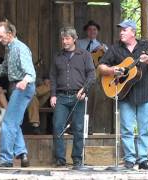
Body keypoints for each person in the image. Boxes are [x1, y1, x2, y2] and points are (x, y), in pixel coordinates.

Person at [98, 20, 148, 170]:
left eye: (124, 30)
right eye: (120, 30)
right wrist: (113, 70)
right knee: (126, 129)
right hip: (125, 94)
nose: (121, 32)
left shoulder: (146, 46)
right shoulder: (115, 48)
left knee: (145, 129)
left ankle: (143, 160)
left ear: (133, 32)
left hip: (144, 93)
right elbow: (101, 67)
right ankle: (129, 160)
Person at [0, 21, 36, 167]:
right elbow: (4, 68)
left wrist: (25, 81)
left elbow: (30, 72)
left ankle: (5, 159)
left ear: (10, 34)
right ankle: (22, 153)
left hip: (22, 86)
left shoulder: (20, 48)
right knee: (14, 122)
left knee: (7, 123)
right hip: (16, 86)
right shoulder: (9, 48)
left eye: (1, 37)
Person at [50, 26, 95, 168]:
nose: (64, 41)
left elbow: (92, 75)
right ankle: (60, 159)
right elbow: (53, 77)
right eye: (63, 38)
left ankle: (77, 158)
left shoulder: (85, 55)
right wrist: (52, 95)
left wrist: (84, 90)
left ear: (74, 39)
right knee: (57, 126)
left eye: (67, 38)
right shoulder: (57, 56)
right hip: (61, 97)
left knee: (78, 128)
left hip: (78, 95)